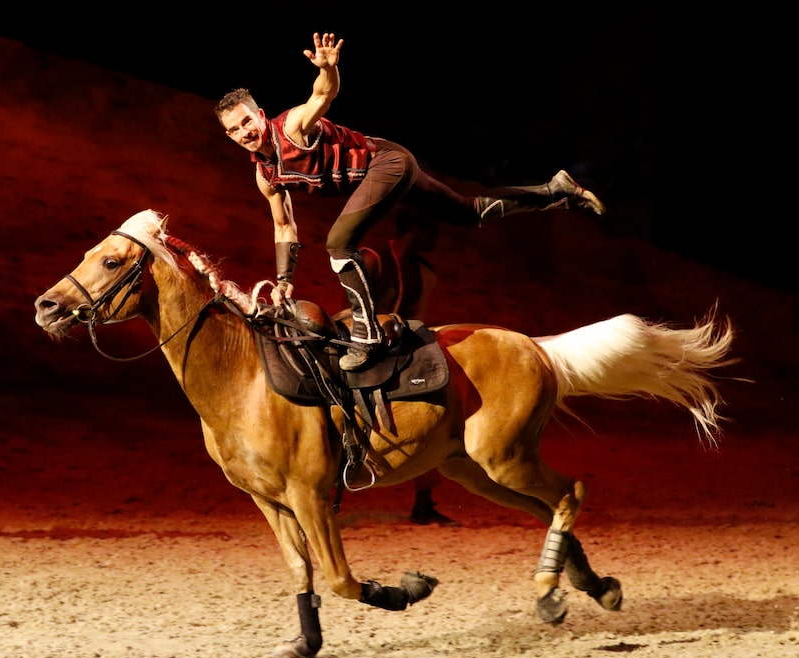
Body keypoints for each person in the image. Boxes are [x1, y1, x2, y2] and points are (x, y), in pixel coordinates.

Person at [214, 32, 605, 373]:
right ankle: (556, 191)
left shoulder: (293, 126)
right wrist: (283, 281)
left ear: (260, 115)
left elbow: (323, 94)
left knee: (339, 243)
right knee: (466, 212)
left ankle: (368, 334)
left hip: (386, 163)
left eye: (247, 122)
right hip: (386, 169)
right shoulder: (265, 175)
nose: (243, 132)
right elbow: (284, 226)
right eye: (233, 130)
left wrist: (328, 68)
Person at [357, 210, 458, 526]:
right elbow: (355, 304)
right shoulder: (373, 258)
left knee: (430, 405)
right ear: (415, 228)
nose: (436, 239)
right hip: (364, 344)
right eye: (431, 231)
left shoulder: (424, 272)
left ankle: (424, 502)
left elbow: (418, 315)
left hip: (402, 349)